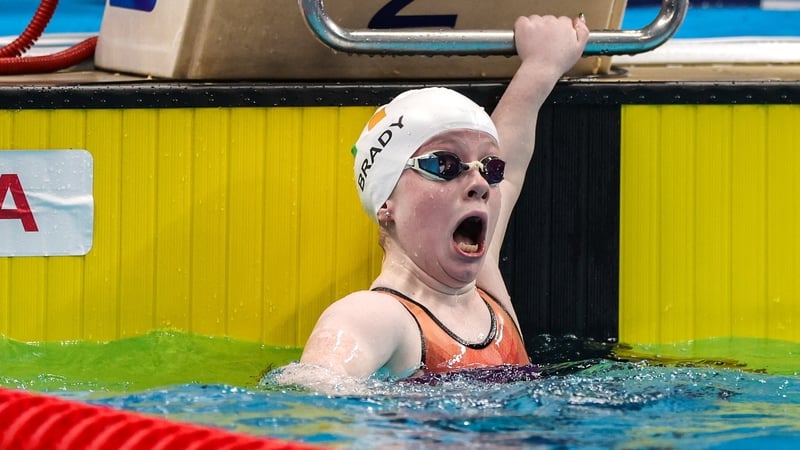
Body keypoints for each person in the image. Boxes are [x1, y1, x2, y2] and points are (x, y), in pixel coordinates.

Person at [274, 14, 589, 390]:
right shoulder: (375, 315)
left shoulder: (487, 290)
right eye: (445, 164)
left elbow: (513, 167)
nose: (480, 184)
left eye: (488, 167)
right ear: (386, 202)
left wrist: (542, 66)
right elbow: (312, 389)